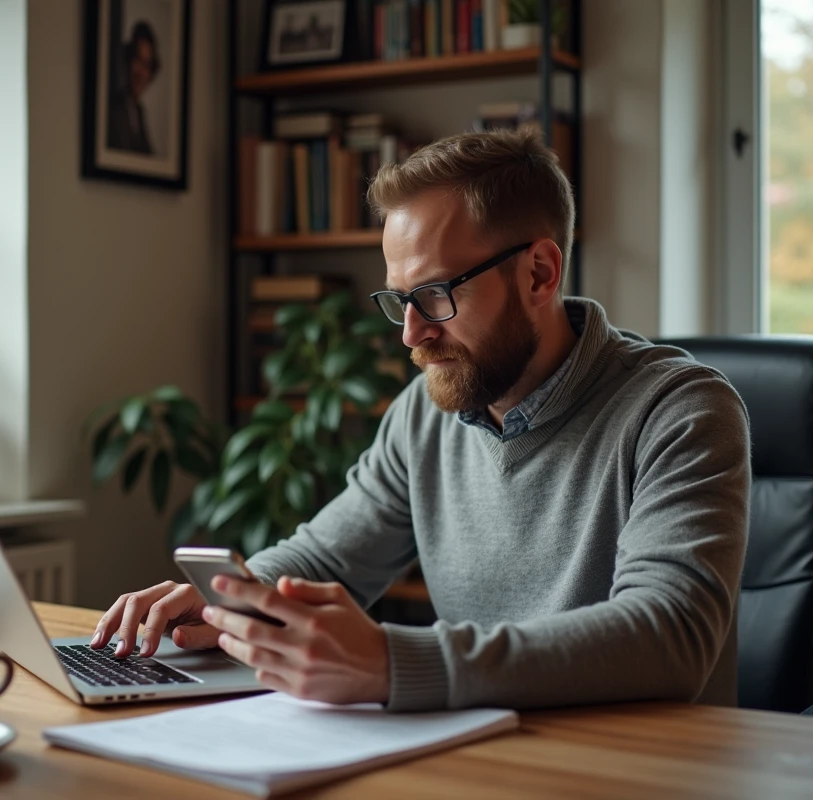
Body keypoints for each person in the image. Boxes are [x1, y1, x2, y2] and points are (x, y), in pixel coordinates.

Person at [92, 128, 751, 712]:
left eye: (434, 295)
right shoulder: (427, 411)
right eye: (399, 299)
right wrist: (233, 598)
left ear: (539, 273)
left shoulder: (681, 410)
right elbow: (327, 558)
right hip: (478, 761)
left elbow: (670, 635)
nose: (411, 335)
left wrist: (392, 663)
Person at [107, 21, 159, 155]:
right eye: (137, 60)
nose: (141, 72)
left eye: (147, 64)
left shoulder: (139, 112)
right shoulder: (113, 107)